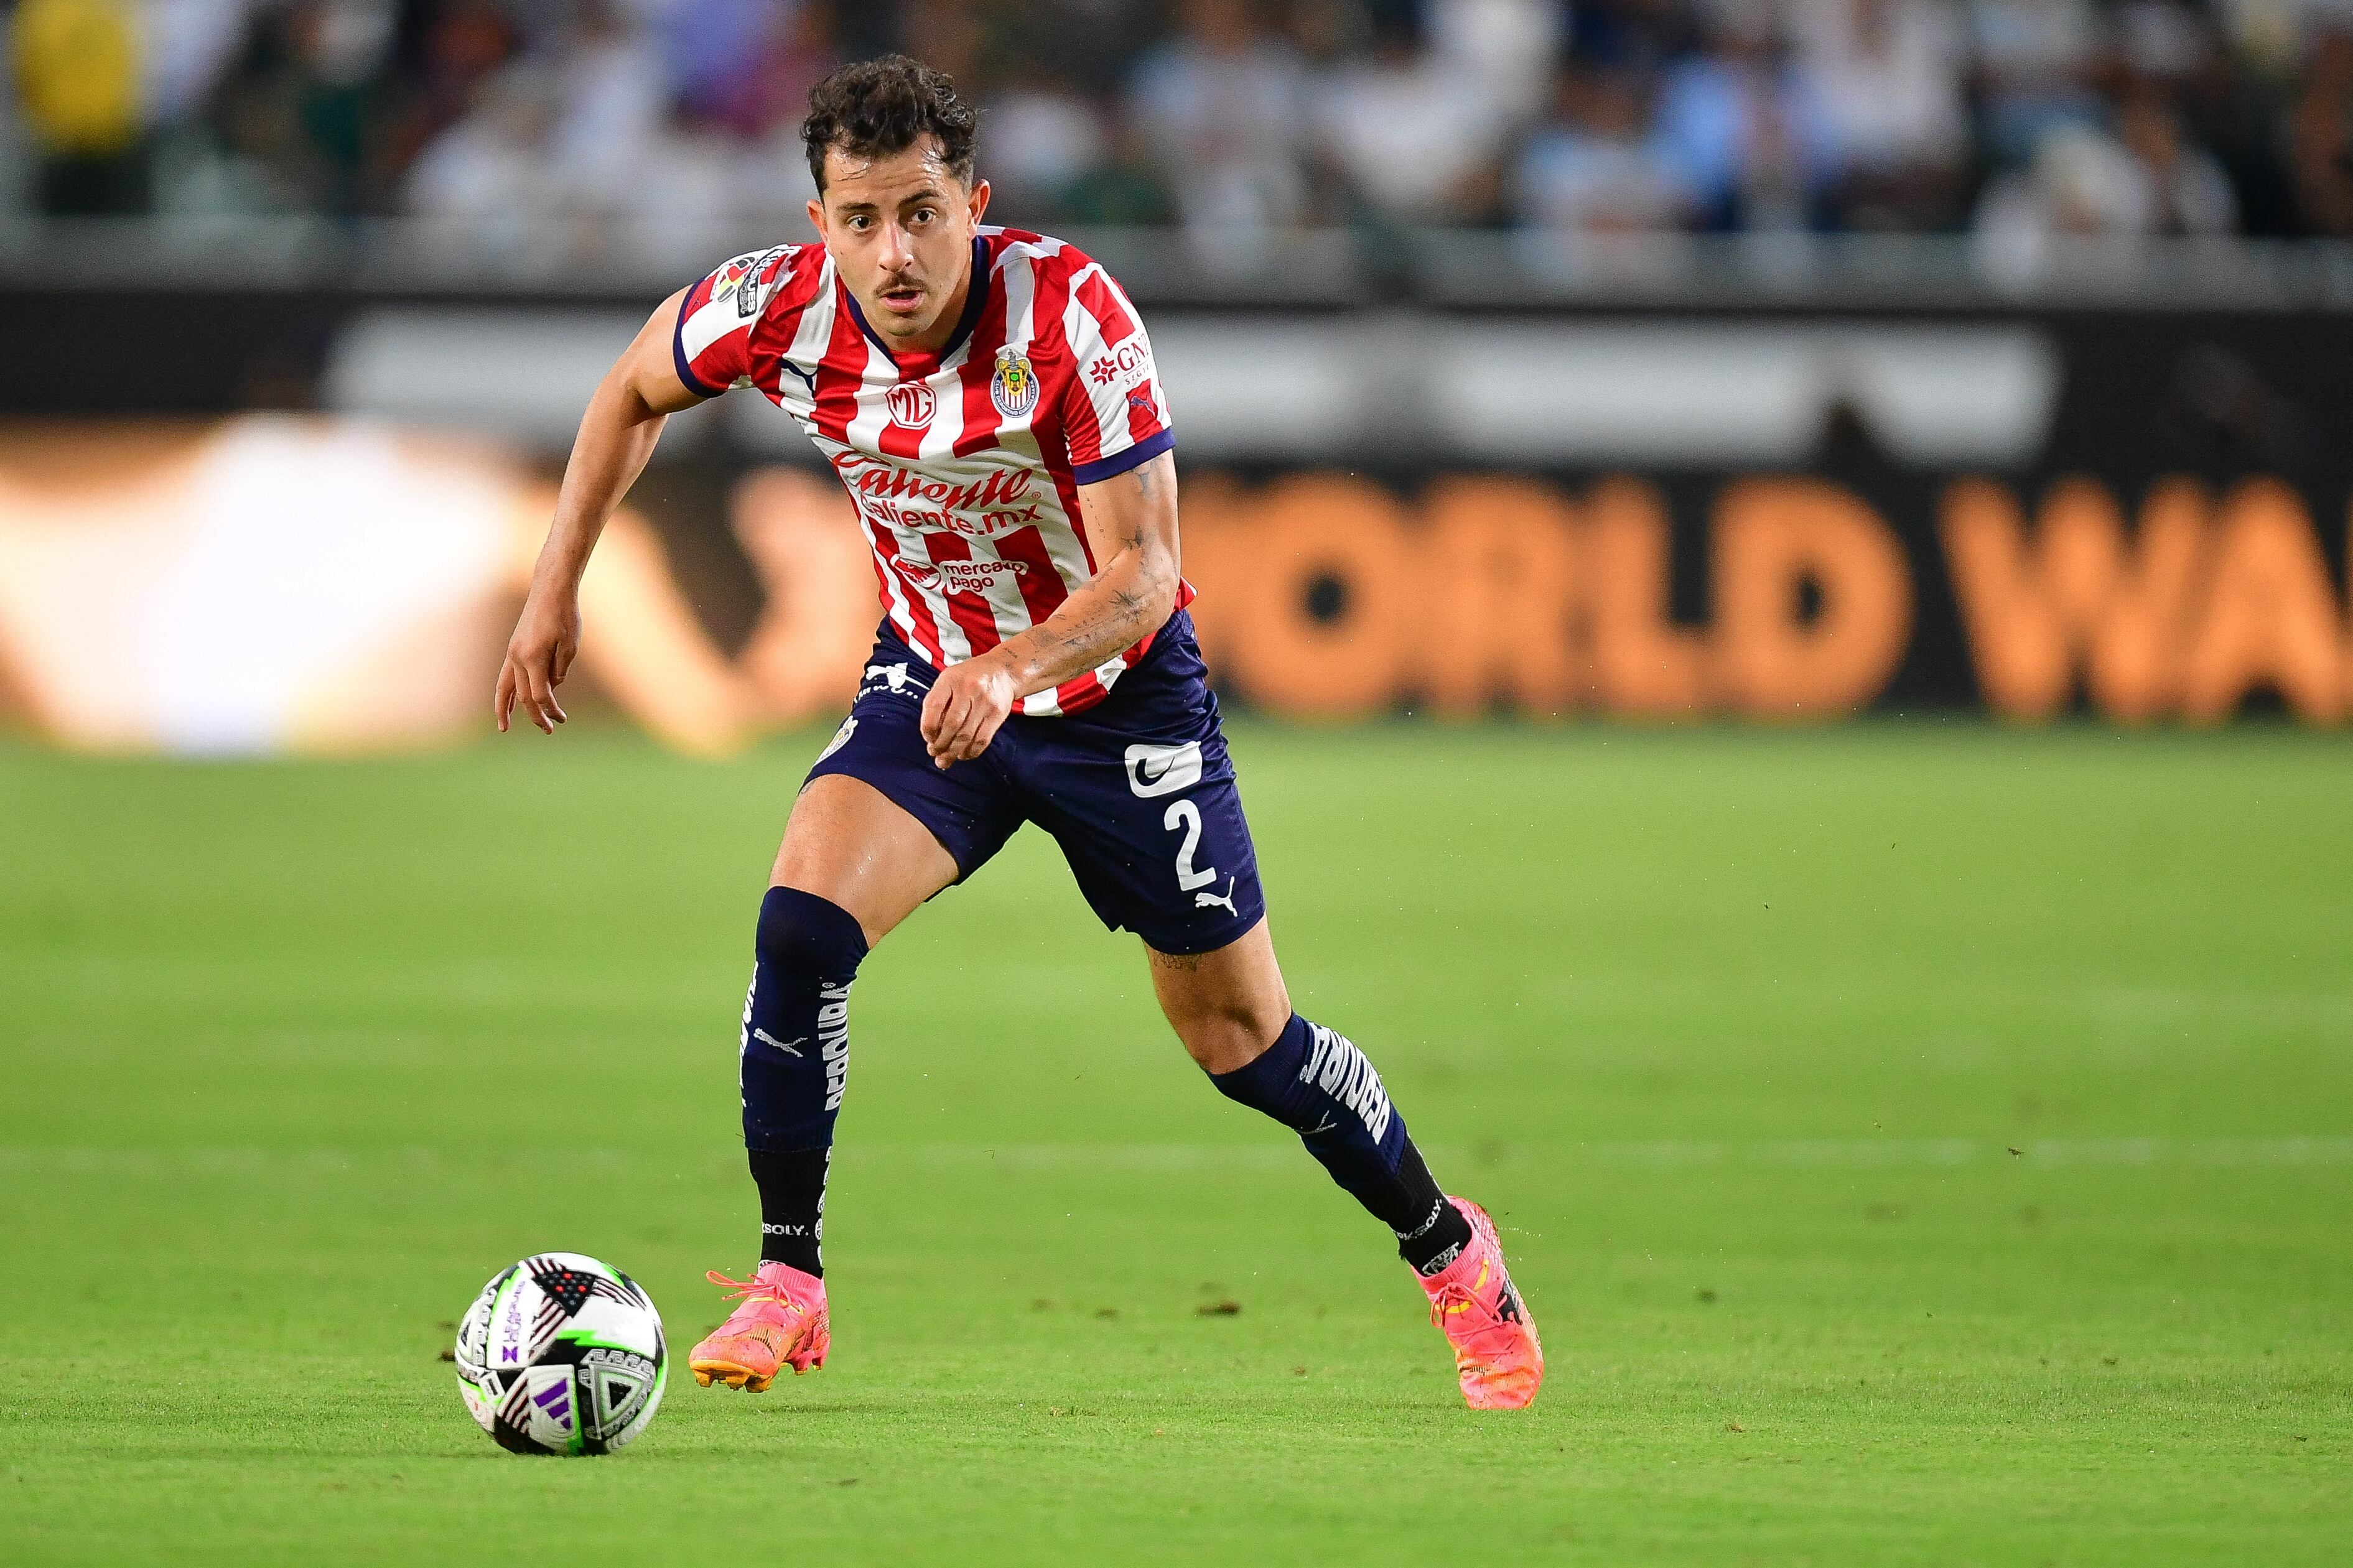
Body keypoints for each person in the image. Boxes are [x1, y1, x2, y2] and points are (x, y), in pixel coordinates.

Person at [493, 54, 1542, 1411]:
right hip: (933, 685)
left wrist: (1012, 666)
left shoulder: (1072, 318)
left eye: (922, 212)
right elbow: (629, 391)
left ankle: (1451, 1250)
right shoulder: (769, 308)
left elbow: (1146, 573)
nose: (894, 251)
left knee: (1243, 1043)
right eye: (860, 219)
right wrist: (552, 583)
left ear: (973, 205)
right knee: (799, 926)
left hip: (1114, 705)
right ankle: (787, 1283)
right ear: (818, 224)